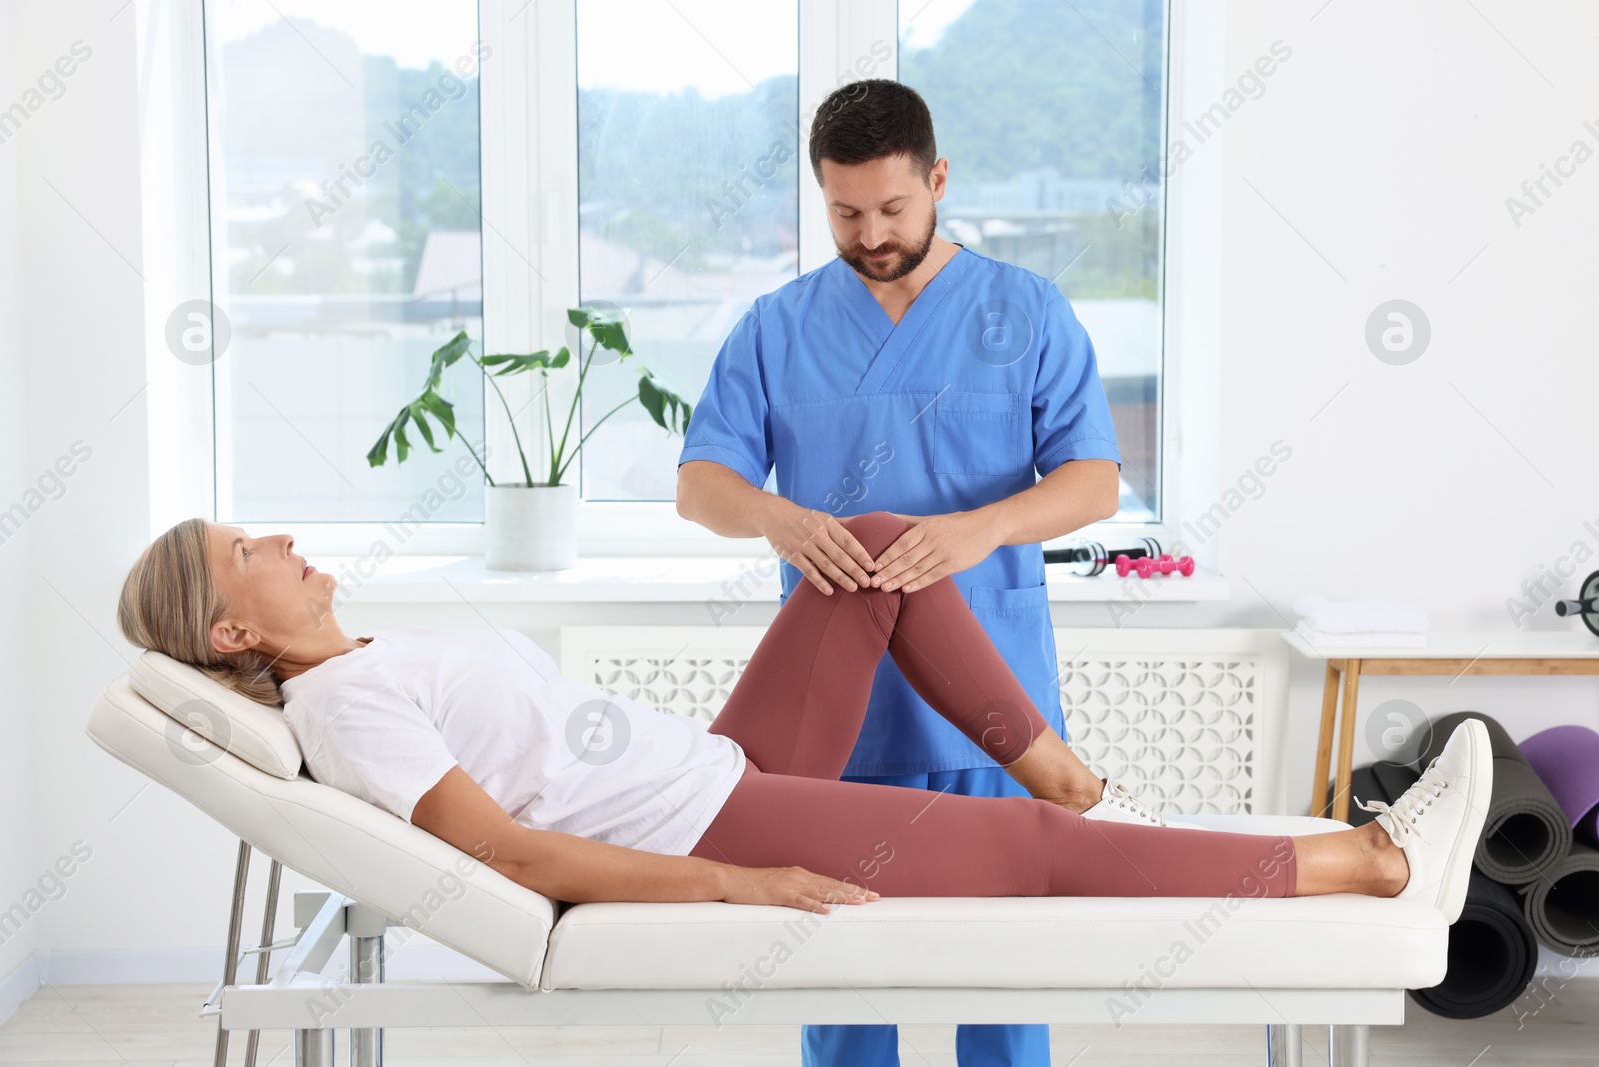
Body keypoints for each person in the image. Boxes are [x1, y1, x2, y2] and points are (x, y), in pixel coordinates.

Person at [115, 514, 1490, 954]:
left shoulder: (368, 653)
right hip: (703, 823)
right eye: (252, 549)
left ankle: (1053, 751)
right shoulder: (345, 700)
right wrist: (741, 879)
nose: (284, 539)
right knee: (1027, 848)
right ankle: (1362, 862)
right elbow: (516, 855)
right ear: (230, 632)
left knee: (879, 546)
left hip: (721, 762)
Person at [676, 79, 1136, 1067]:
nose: (870, 232)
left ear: (937, 179)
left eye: (893, 207)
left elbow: (1094, 481)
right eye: (845, 212)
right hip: (839, 709)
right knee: (840, 978)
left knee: (1006, 969)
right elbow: (700, 483)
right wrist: (778, 518)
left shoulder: (1025, 311)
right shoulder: (776, 326)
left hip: (995, 701)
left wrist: (983, 529)